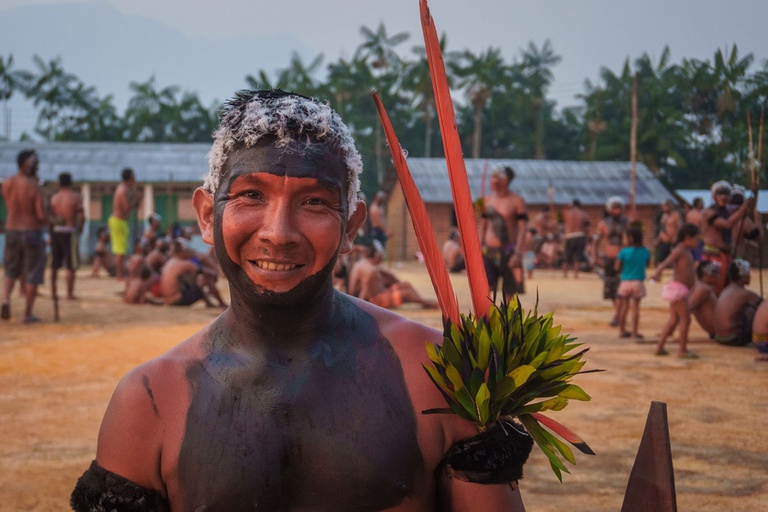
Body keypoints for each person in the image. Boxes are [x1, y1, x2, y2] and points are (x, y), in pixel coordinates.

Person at [70, 90, 526, 511]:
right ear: (208, 216)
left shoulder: (439, 374)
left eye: (313, 202)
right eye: (251, 195)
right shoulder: (150, 404)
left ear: (350, 226)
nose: (278, 233)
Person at [1, 149, 48, 323]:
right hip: (31, 232)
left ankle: (5, 299)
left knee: (11, 270)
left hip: (11, 230)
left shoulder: (7, 183)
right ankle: (27, 314)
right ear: (29, 165)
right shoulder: (34, 186)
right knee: (33, 274)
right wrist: (51, 221)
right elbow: (40, 215)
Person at [650, 224, 702, 357]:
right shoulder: (679, 250)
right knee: (685, 319)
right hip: (678, 289)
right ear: (687, 238)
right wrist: (657, 272)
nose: (697, 241)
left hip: (680, 289)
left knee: (674, 320)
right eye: (696, 238)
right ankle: (682, 350)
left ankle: (659, 347)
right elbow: (666, 262)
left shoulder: (685, 251)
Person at [480, 164, 528, 300]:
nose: (492, 181)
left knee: (510, 295)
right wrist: (478, 248)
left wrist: (518, 253)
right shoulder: (487, 201)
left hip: (509, 253)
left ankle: (509, 321)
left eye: (495, 177)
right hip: (488, 253)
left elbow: (523, 228)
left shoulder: (517, 201)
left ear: (505, 180)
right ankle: (487, 320)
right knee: (485, 291)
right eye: (491, 177)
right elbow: (482, 225)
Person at [349, 240, 438, 309]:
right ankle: (427, 303)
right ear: (378, 256)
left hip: (364, 297)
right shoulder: (372, 270)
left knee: (405, 284)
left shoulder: (363, 264)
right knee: (406, 294)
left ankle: (422, 302)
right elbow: (367, 294)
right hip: (370, 301)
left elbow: (392, 280)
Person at [701, 181, 754, 295]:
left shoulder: (729, 211)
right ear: (714, 196)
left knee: (727, 287)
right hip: (712, 257)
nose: (723, 197)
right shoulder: (709, 212)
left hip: (727, 256)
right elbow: (727, 224)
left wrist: (754, 192)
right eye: (719, 194)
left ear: (730, 196)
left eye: (726, 194)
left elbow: (748, 210)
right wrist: (743, 207)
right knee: (713, 287)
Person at [592, 196, 629, 326]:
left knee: (622, 289)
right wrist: (594, 257)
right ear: (609, 209)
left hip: (623, 259)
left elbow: (630, 241)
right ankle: (618, 314)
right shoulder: (603, 224)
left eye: (619, 208)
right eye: (614, 208)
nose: (617, 211)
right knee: (612, 289)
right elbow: (596, 241)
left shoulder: (626, 223)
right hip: (609, 258)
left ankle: (618, 316)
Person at [50, 172, 85, 300]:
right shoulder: (75, 197)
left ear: (59, 183)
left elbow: (51, 217)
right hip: (70, 231)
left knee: (55, 265)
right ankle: (69, 294)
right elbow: (82, 216)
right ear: (71, 183)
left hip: (56, 231)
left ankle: (53, 292)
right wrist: (80, 229)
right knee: (71, 265)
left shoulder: (54, 198)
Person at [713, 260, 762, 346]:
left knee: (749, 308)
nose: (750, 276)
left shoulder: (726, 290)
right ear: (742, 276)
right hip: (732, 337)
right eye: (748, 274)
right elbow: (764, 306)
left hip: (719, 336)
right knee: (753, 310)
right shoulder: (745, 294)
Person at [615, 227, 650, 340]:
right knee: (635, 308)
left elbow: (617, 266)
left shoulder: (623, 251)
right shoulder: (645, 251)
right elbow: (648, 264)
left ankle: (622, 330)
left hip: (625, 281)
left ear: (630, 238)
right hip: (638, 282)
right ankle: (635, 332)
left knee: (624, 307)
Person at [158, 238, 216, 307]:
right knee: (206, 279)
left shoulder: (169, 262)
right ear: (183, 251)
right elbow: (208, 272)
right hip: (177, 300)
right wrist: (216, 273)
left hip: (167, 300)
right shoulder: (185, 264)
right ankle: (221, 303)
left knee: (195, 282)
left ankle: (209, 303)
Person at [109, 167, 142, 280]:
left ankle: (120, 273)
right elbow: (126, 207)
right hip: (118, 221)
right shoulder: (122, 190)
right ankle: (119, 275)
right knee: (120, 250)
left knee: (122, 248)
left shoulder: (126, 189)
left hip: (122, 221)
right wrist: (136, 200)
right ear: (130, 177)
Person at [687, 261, 720, 339]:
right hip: (719, 332)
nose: (719, 277)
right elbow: (686, 310)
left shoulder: (699, 286)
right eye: (716, 273)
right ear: (707, 275)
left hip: (717, 331)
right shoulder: (703, 289)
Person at [561, 199, 590, 278]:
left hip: (569, 235)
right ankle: (575, 274)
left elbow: (562, 212)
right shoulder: (583, 214)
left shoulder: (567, 213)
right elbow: (586, 227)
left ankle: (565, 274)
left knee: (566, 256)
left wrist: (568, 206)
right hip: (579, 235)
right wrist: (587, 238)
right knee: (578, 256)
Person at [654, 199, 682, 264]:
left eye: (665, 206)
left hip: (673, 240)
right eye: (663, 206)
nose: (663, 208)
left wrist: (676, 238)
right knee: (662, 259)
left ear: (669, 206)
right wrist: (658, 239)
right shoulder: (664, 216)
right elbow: (662, 229)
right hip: (664, 240)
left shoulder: (676, 215)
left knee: (674, 259)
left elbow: (680, 228)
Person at [685, 197, 705, 262]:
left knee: (692, 257)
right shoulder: (700, 215)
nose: (703, 204)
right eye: (702, 203)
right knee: (698, 257)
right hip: (698, 237)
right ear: (698, 204)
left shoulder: (689, 213)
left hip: (690, 236)